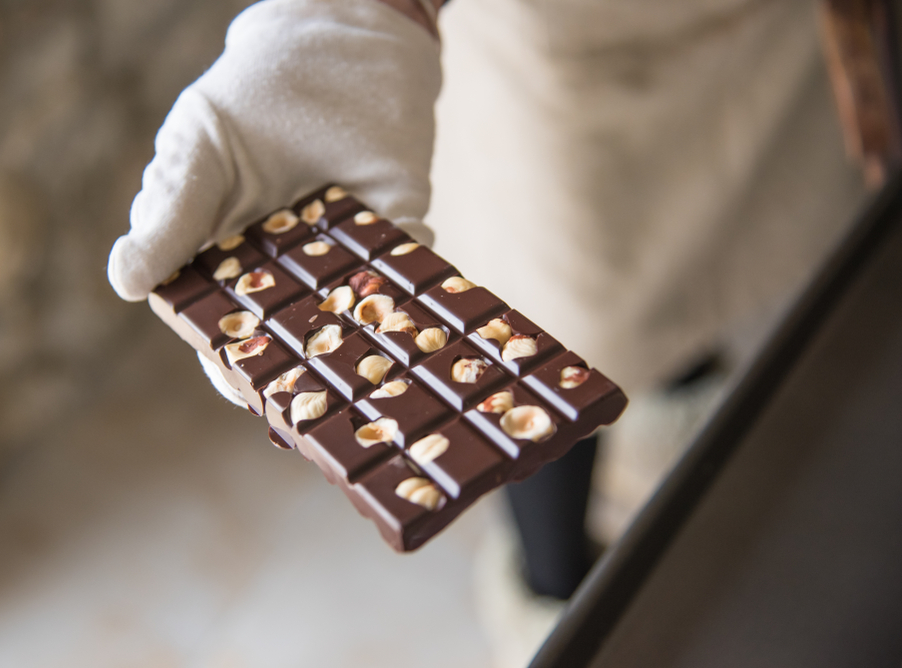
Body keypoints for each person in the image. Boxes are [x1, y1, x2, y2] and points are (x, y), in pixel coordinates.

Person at [107, 0, 862, 651]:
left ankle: (679, 408)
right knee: (556, 309)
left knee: (695, 267)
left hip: (768, 28)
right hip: (563, 45)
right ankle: (560, 606)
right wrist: (355, 13)